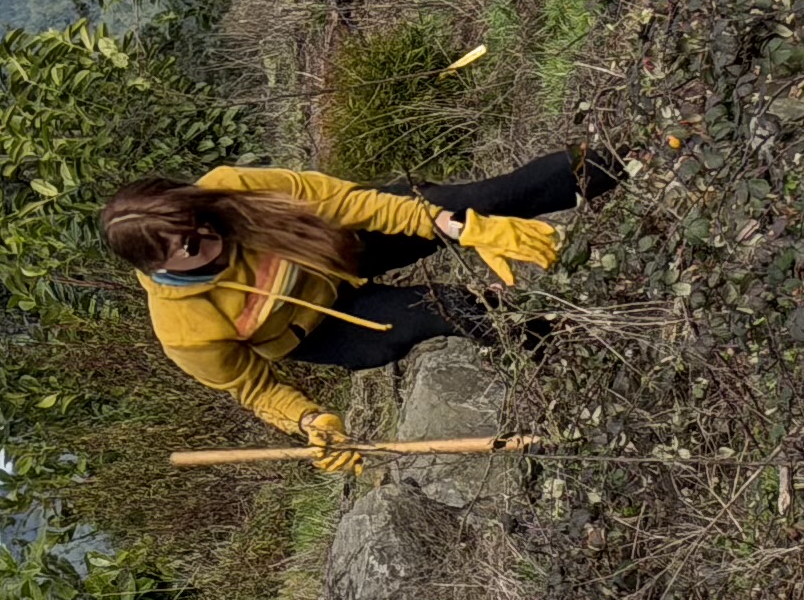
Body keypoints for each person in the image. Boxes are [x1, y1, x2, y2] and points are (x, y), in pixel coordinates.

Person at [98, 147, 610, 471]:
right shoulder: (184, 328)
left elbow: (350, 204)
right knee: (450, 308)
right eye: (188, 246)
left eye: (199, 218)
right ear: (158, 265)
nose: (207, 236)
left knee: (484, 199)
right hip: (325, 327)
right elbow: (252, 388)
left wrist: (457, 226)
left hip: (332, 246)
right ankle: (581, 343)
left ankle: (621, 161)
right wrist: (310, 422)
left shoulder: (230, 187)